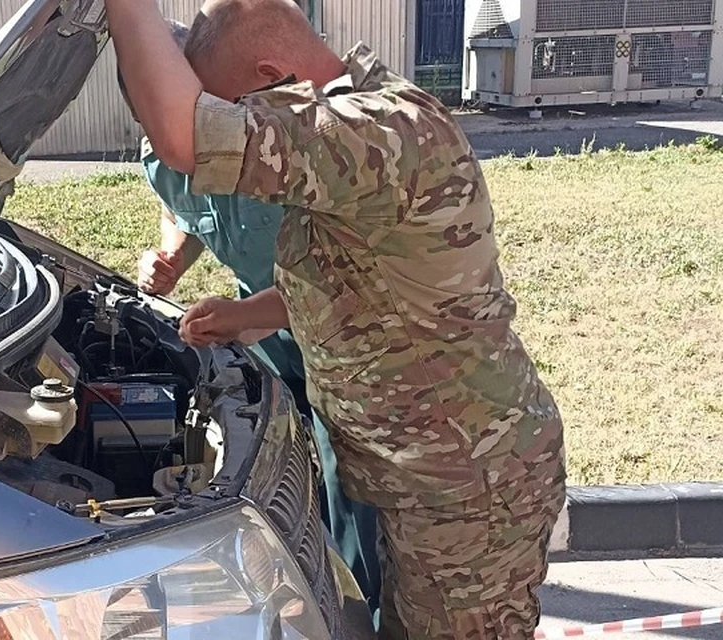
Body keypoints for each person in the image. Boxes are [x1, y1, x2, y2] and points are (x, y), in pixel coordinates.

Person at [107, 1, 567, 638]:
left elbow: (186, 135)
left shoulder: (375, 130)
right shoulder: (351, 134)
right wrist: (245, 315)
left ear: (273, 75)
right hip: (429, 480)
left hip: (467, 490)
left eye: (237, 105)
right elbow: (349, 285)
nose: (244, 125)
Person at [116, 19, 383, 619]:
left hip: (342, 329)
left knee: (352, 479)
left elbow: (335, 284)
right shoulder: (163, 149)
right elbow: (183, 209)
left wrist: (240, 317)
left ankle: (360, 610)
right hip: (262, 327)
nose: (168, 136)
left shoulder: (289, 143)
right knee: (283, 461)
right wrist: (169, 260)